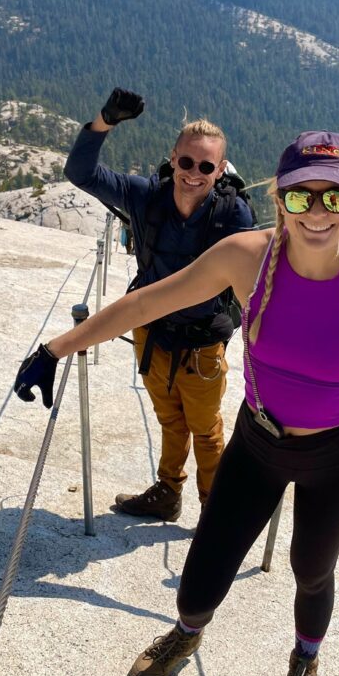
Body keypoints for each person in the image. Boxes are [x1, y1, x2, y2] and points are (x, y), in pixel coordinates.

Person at [14, 130, 339, 676]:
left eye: (334, 197)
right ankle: (186, 633)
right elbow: (146, 303)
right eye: (301, 196)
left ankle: (305, 658)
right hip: (256, 445)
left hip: (337, 459)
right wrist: (55, 349)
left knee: (312, 571)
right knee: (203, 569)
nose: (317, 212)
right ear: (279, 200)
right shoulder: (246, 258)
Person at [62, 87, 253, 521]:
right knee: (170, 421)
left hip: (204, 344)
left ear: (220, 170)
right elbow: (81, 173)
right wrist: (103, 122)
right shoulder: (145, 196)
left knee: (206, 432)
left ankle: (214, 511)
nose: (193, 173)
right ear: (173, 158)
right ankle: (168, 491)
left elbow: (250, 282)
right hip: (152, 334)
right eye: (186, 162)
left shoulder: (233, 216)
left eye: (206, 166)